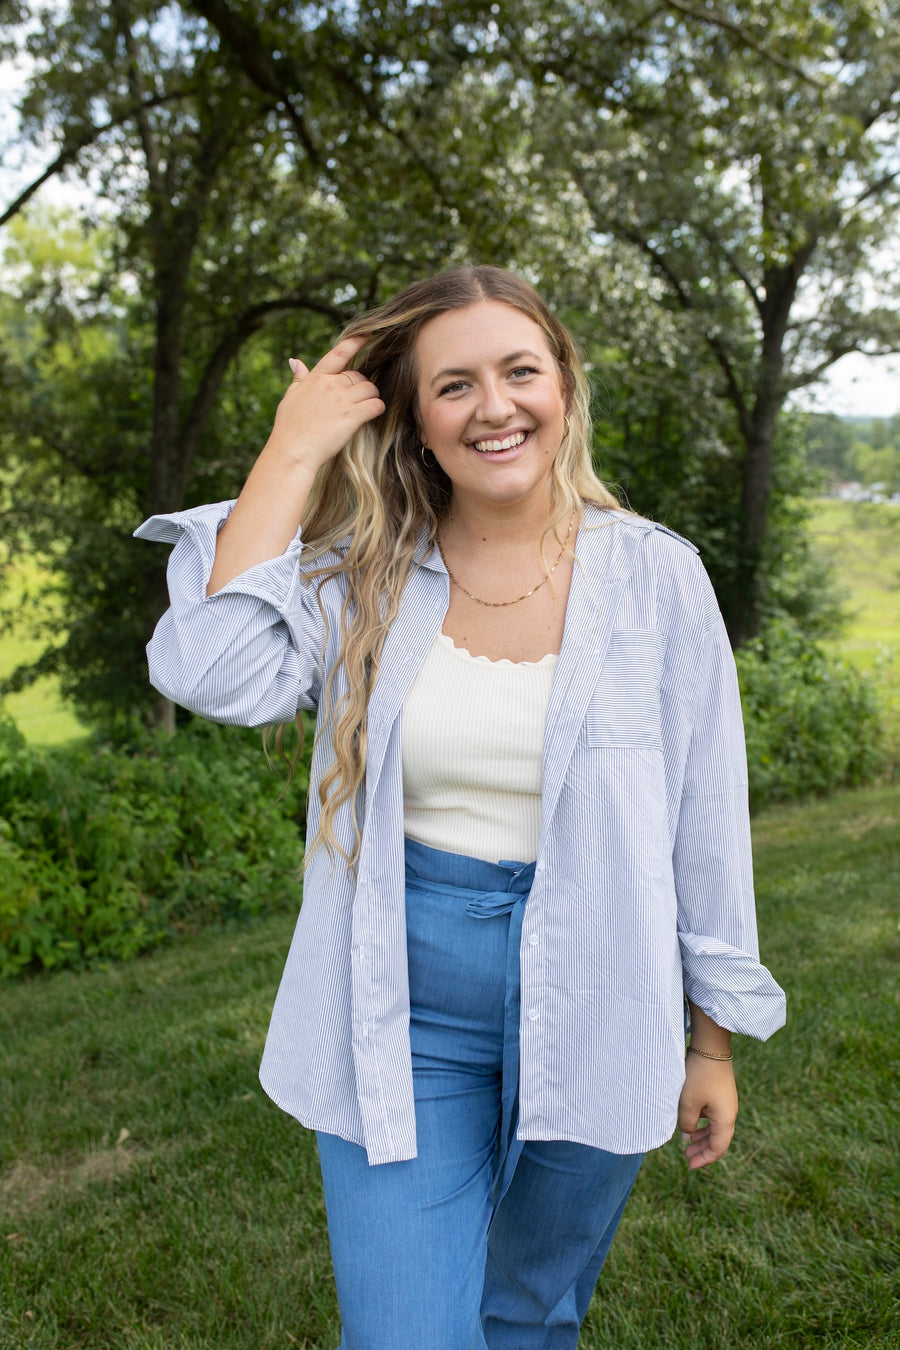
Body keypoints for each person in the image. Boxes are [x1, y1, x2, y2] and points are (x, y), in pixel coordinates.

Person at [136, 265, 786, 1349]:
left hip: (606, 991)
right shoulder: (359, 574)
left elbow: (706, 822)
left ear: (564, 387)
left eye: (520, 371)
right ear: (415, 421)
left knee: (530, 1317)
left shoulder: (659, 581)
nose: (495, 406)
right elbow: (208, 671)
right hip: (402, 1004)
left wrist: (711, 1044)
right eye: (454, 385)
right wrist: (295, 445)